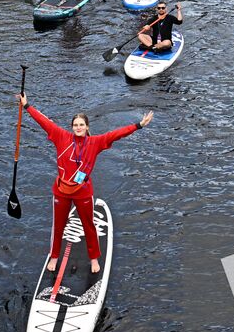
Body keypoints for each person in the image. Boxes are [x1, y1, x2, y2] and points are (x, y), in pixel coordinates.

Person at [18, 94, 153, 274]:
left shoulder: (95, 142)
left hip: (83, 191)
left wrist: (138, 125)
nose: (78, 127)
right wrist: (27, 106)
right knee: (58, 226)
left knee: (88, 225)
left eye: (81, 124)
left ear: (87, 127)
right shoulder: (61, 136)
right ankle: (54, 256)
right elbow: (44, 122)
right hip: (61, 191)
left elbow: (116, 134)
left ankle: (94, 257)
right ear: (72, 127)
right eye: (75, 125)